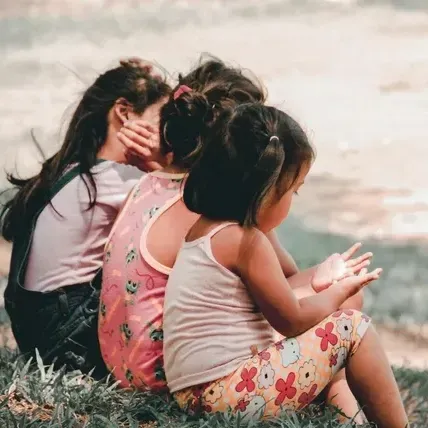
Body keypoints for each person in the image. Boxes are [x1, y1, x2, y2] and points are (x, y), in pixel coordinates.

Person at [99, 56, 371, 422]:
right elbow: (286, 295)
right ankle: (343, 407)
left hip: (128, 360)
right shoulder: (212, 210)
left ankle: (340, 401)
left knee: (332, 293)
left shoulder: (151, 182)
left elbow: (280, 277)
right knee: (347, 298)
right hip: (171, 373)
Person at [163, 103, 409, 428]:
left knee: (332, 327)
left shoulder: (207, 229)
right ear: (265, 190)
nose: (293, 200)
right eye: (293, 190)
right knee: (354, 327)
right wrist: (339, 292)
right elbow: (292, 320)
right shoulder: (245, 241)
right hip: (229, 394)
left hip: (196, 394)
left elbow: (281, 296)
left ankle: (351, 419)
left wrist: (323, 284)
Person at [0, 58, 171, 378]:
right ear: (124, 112)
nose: (164, 135)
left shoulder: (72, 170)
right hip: (68, 344)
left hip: (39, 334)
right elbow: (186, 212)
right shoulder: (115, 180)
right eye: (160, 121)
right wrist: (160, 166)